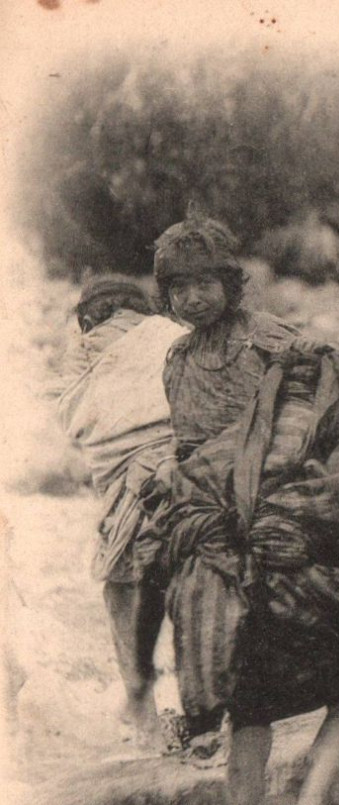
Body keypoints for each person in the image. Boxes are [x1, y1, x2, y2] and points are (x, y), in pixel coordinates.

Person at [148, 210, 339, 805]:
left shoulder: (267, 339)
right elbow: (189, 447)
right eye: (180, 287)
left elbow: (320, 400)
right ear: (165, 295)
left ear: (232, 283)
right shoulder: (176, 360)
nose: (195, 297)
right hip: (230, 547)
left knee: (265, 708)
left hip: (272, 531)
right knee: (321, 696)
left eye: (207, 282)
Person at [56, 276, 184, 746]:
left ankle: (141, 703)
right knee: (186, 579)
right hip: (178, 468)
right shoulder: (168, 333)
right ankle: (198, 704)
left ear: (89, 318)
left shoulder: (84, 350)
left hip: (124, 480)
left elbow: (71, 414)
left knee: (124, 583)